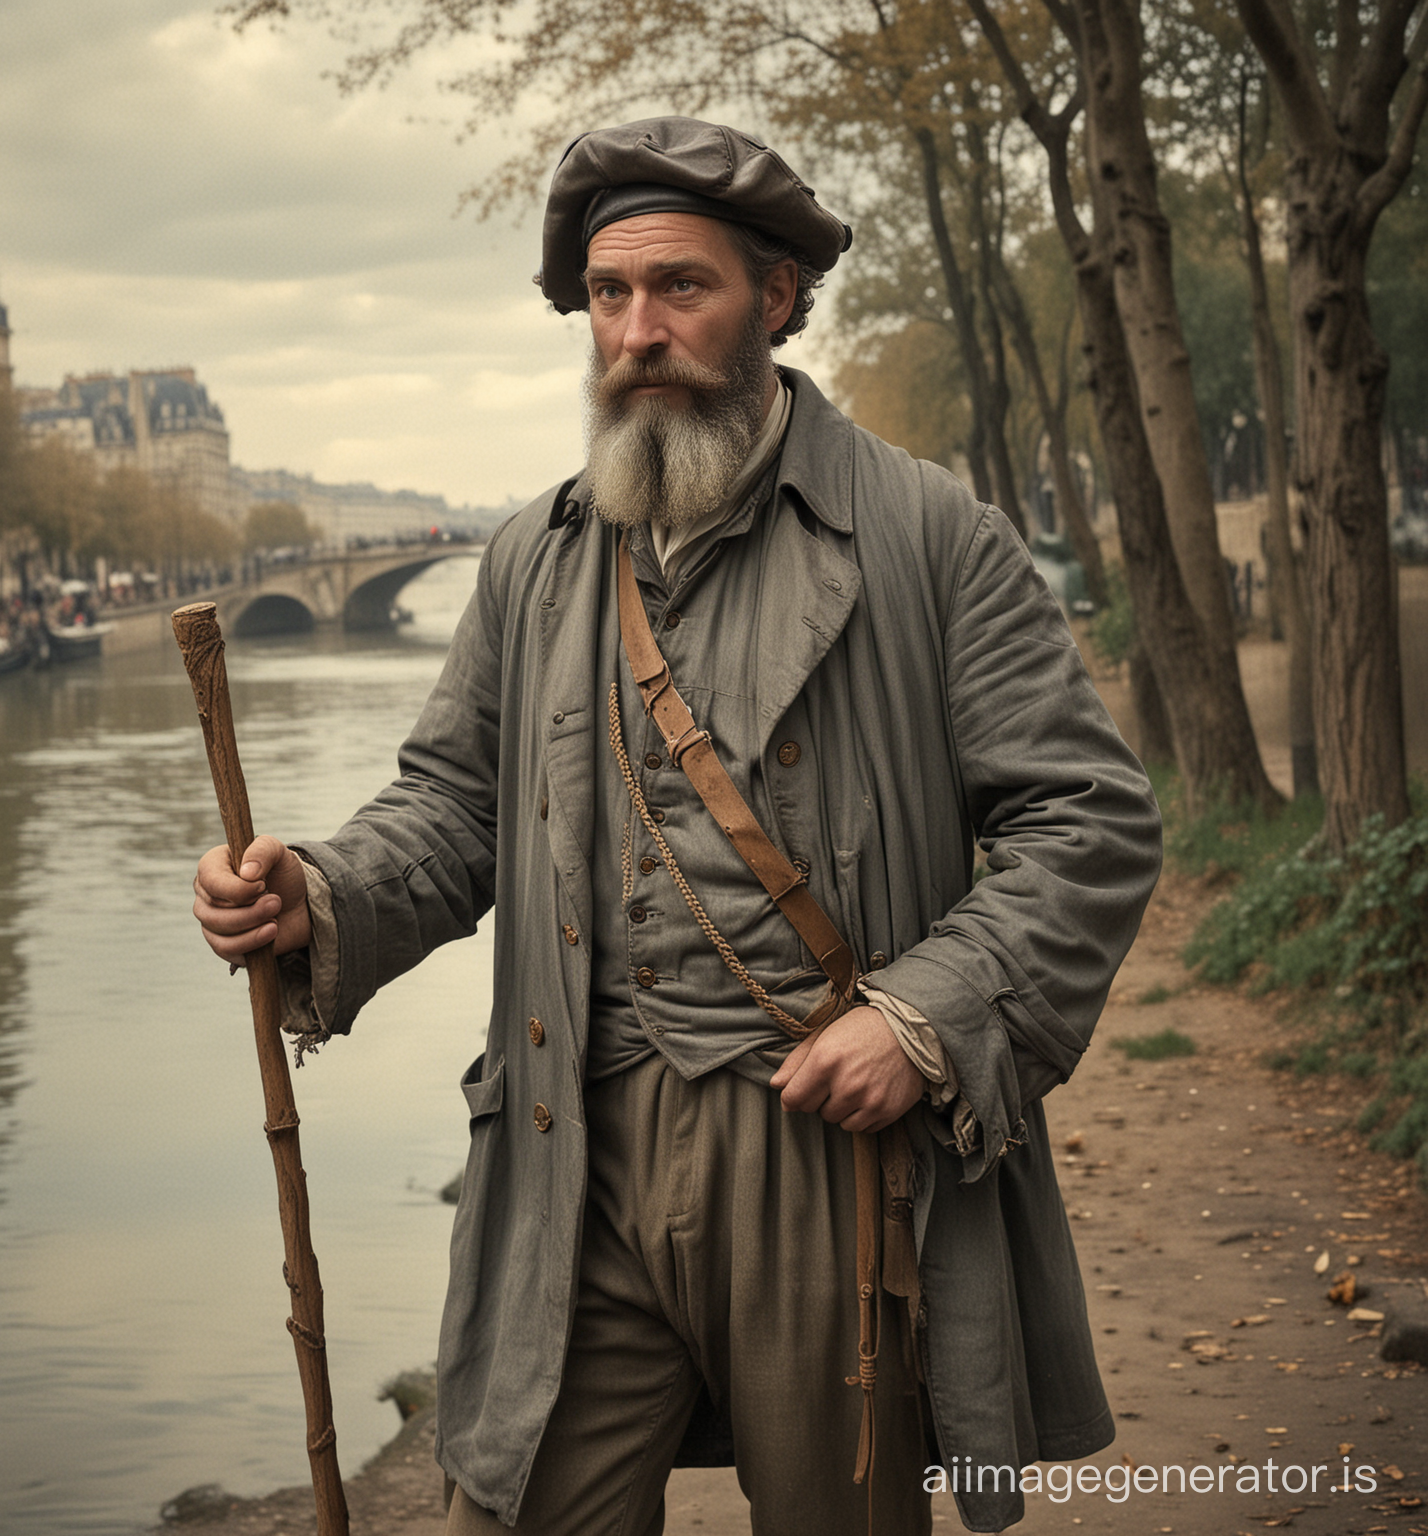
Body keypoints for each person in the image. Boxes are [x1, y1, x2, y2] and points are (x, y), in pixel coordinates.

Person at [193, 117, 1163, 1535]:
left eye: (679, 289)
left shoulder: (929, 533)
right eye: (607, 296)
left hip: (831, 1155)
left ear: (773, 297)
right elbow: (457, 804)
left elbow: (1087, 819)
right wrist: (319, 895)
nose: (635, 331)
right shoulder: (534, 557)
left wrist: (921, 1019)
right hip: (570, 1140)